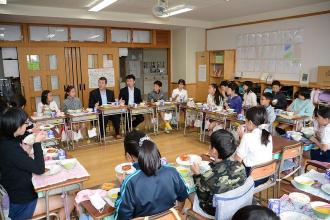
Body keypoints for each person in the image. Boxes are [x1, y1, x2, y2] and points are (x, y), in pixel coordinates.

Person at [0, 108, 74, 219]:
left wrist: (28, 147)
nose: (26, 126)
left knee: (62, 193)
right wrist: (37, 143)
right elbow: (39, 169)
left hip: (18, 196)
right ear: (16, 125)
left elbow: (20, 161)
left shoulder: (6, 143)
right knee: (70, 199)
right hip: (22, 205)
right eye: (25, 123)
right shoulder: (10, 148)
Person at [114, 132, 188, 219]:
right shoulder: (172, 171)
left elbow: (121, 217)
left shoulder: (130, 182)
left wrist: (123, 185)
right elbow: (183, 197)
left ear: (129, 156)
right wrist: (175, 212)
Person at [190, 129, 247, 218]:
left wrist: (196, 174)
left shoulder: (208, 176)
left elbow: (202, 197)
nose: (209, 146)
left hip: (215, 212)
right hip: (236, 206)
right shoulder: (240, 166)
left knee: (189, 191)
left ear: (214, 151)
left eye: (211, 144)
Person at [235, 106, 273, 186]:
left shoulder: (247, 137)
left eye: (245, 121)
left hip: (252, 177)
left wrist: (242, 136)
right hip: (266, 175)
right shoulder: (268, 135)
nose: (244, 123)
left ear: (251, 123)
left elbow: (237, 161)